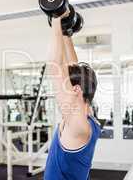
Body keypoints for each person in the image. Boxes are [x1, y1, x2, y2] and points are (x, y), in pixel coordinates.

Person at [44, 15, 101, 180]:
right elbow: (72, 64)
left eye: (66, 84)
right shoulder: (86, 113)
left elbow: (55, 67)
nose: (62, 86)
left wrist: (55, 18)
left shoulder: (77, 123)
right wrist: (66, 33)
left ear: (75, 90)